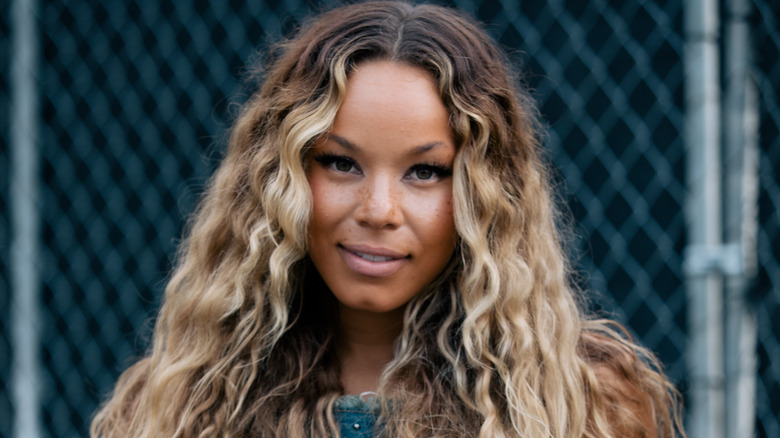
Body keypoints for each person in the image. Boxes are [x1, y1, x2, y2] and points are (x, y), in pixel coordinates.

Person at [91, 1, 684, 437]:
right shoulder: (174, 408)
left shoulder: (587, 407)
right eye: (341, 163)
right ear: (281, 177)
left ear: (486, 195)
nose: (378, 211)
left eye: (425, 172)